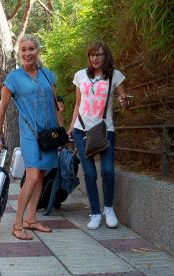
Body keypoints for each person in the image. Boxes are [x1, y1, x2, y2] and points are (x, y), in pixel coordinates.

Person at [0, 34, 63, 240]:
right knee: (32, 177)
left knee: (40, 175)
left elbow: (56, 104)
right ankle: (17, 225)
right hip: (31, 135)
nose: (27, 53)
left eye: (31, 49)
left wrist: (61, 129)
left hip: (48, 135)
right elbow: (2, 109)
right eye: (23, 50)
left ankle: (31, 219)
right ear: (19, 53)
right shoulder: (13, 79)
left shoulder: (48, 75)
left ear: (37, 50)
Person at [67, 41, 129, 230]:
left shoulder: (115, 76)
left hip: (105, 129)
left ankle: (108, 209)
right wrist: (71, 128)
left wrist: (124, 101)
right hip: (82, 130)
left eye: (99, 55)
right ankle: (94, 212)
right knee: (90, 173)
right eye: (92, 55)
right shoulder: (80, 75)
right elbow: (78, 104)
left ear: (106, 56)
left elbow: (123, 101)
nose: (95, 58)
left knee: (108, 170)